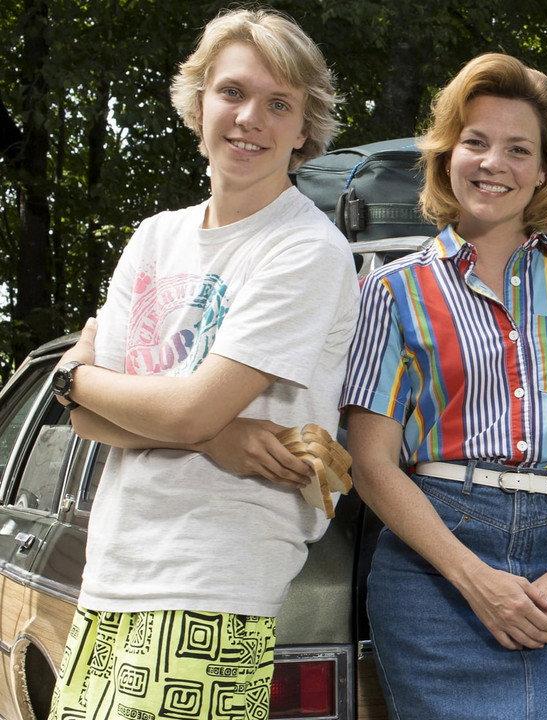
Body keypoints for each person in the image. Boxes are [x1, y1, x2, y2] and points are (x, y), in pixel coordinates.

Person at [47, 9, 356, 719]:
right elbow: (91, 423)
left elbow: (172, 409)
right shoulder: (156, 237)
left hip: (213, 581)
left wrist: (76, 377)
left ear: (304, 128)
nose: (250, 119)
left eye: (279, 104)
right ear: (198, 102)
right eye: (233, 92)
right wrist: (213, 434)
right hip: (113, 571)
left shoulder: (305, 249)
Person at [341, 53, 547, 719]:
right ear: (447, 155)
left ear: (545, 169)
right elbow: (371, 464)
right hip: (435, 564)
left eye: (519, 149)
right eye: (476, 142)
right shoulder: (391, 291)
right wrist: (475, 579)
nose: (494, 164)